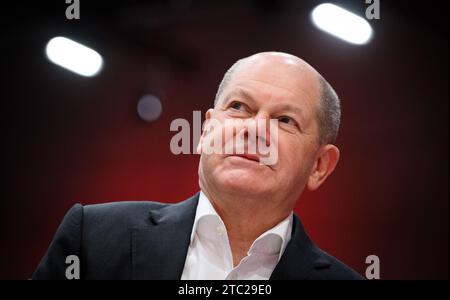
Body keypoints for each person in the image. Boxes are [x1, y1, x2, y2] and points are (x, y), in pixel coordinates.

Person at [33, 52, 363, 280]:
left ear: (320, 165)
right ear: (205, 132)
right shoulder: (92, 238)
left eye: (285, 120)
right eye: (238, 107)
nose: (254, 129)